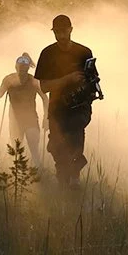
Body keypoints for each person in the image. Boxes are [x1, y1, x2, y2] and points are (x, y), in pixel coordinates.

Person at [36, 14, 95, 188]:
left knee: (75, 135)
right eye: (57, 32)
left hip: (80, 107)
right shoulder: (47, 53)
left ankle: (75, 178)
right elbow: (44, 86)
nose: (61, 36)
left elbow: (94, 79)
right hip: (57, 108)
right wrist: (67, 80)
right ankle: (63, 179)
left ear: (71, 29)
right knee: (56, 145)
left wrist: (86, 86)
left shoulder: (84, 52)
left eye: (64, 31)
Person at [0, 53, 45, 163]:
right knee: (16, 150)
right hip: (15, 120)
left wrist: (46, 116)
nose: (21, 71)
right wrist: (5, 87)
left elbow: (44, 98)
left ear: (28, 68)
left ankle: (38, 171)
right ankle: (18, 174)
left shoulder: (33, 81)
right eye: (20, 68)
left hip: (30, 119)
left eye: (24, 68)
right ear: (16, 67)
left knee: (33, 147)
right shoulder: (9, 79)